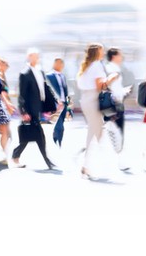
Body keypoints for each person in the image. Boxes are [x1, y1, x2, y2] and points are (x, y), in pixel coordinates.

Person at [77, 43, 119, 178]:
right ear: (97, 52)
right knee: (98, 133)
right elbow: (100, 86)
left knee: (95, 132)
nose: (103, 52)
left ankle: (87, 165)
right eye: (101, 50)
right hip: (93, 100)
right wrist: (112, 78)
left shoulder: (87, 66)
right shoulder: (97, 65)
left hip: (86, 100)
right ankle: (107, 163)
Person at [12, 48, 56, 169]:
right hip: (30, 109)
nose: (35, 58)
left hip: (38, 107)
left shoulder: (40, 72)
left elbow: (45, 88)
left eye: (36, 56)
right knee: (38, 134)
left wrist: (54, 102)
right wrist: (23, 111)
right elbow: (22, 94)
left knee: (29, 134)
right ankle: (47, 161)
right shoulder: (24, 73)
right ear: (28, 57)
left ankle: (15, 155)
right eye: (32, 56)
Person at [104, 48, 132, 170]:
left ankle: (120, 160)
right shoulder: (112, 69)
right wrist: (120, 94)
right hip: (114, 104)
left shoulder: (113, 68)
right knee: (117, 132)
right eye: (120, 55)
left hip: (115, 103)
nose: (122, 57)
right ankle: (121, 161)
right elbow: (110, 87)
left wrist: (124, 91)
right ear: (114, 56)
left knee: (113, 132)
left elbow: (114, 88)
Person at [47, 58, 71, 147]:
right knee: (59, 123)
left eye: (61, 64)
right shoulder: (49, 76)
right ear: (54, 64)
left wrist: (68, 105)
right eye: (58, 63)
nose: (60, 66)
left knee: (61, 123)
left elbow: (66, 91)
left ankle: (58, 139)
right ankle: (56, 140)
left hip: (64, 103)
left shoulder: (63, 76)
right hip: (55, 103)